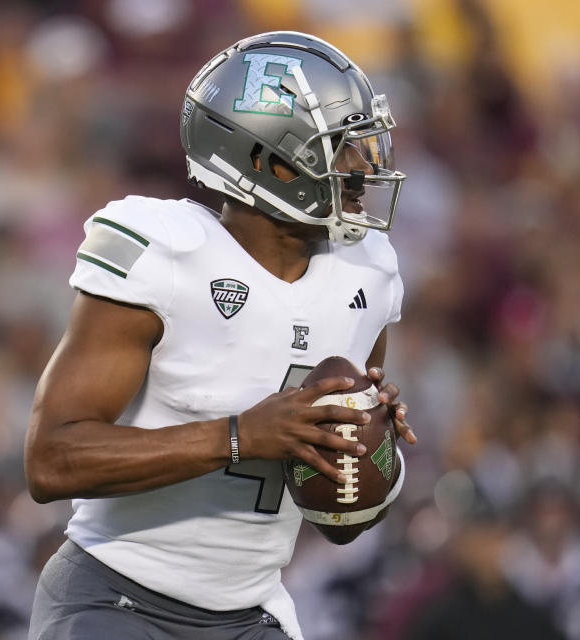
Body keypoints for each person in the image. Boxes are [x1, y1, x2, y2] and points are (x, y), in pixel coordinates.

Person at [24, 31, 414, 640]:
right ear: (267, 160)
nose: (364, 168)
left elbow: (342, 524)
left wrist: (367, 447)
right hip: (114, 599)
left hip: (250, 614)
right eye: (339, 149)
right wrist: (239, 437)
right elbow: (50, 461)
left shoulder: (369, 270)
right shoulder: (166, 251)